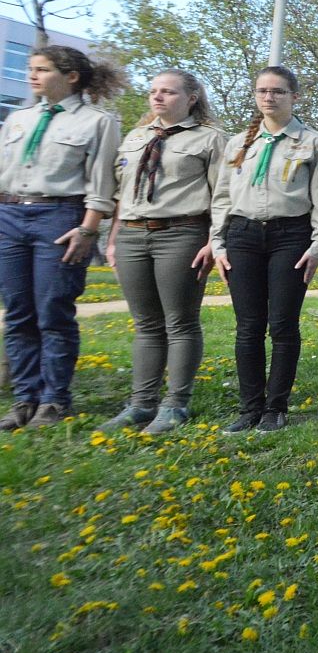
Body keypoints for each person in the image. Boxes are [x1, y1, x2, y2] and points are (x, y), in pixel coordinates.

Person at [0, 46, 123, 430]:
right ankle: (24, 399)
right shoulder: (17, 119)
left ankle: (53, 401)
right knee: (18, 313)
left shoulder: (97, 122)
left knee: (53, 311)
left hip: (60, 217)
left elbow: (101, 183)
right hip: (10, 216)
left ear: (71, 76)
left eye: (42, 70)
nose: (31, 76)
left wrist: (88, 228)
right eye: (30, 69)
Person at [101, 70, 228, 435]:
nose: (158, 97)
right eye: (154, 91)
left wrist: (213, 240)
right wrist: (112, 239)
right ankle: (141, 404)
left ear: (191, 98)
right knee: (145, 324)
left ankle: (175, 405)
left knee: (180, 321)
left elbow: (222, 196)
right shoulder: (135, 137)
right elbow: (120, 194)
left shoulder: (210, 139)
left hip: (182, 234)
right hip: (131, 234)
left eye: (168, 92)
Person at [211, 66, 318, 435]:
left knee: (282, 324)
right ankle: (250, 407)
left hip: (290, 236)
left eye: (278, 91)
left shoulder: (313, 142)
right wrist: (217, 242)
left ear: (294, 97)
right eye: (262, 91)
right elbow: (221, 198)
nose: (269, 97)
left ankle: (275, 407)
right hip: (243, 236)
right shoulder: (238, 144)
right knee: (248, 326)